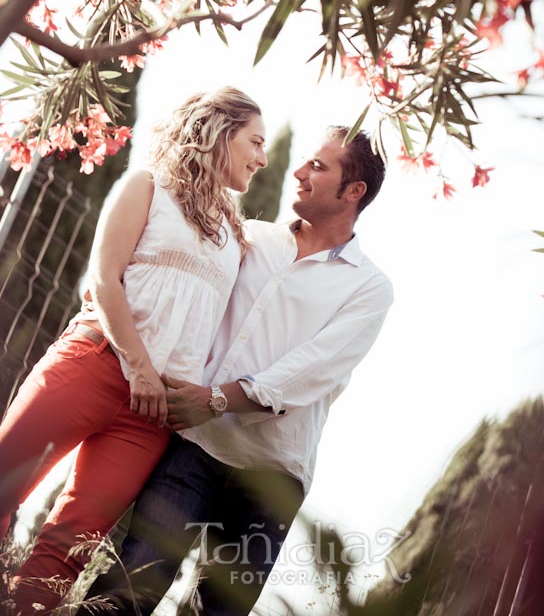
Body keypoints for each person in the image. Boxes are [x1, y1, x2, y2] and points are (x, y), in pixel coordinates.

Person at [80, 126, 394, 616]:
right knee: (125, 592)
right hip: (193, 450)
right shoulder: (249, 238)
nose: (297, 172)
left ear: (354, 191)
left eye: (318, 166)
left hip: (272, 478)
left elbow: (315, 368)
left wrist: (218, 399)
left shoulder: (370, 288)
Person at [0, 87, 267, 614]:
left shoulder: (239, 239)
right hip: (94, 363)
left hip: (149, 417)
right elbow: (103, 277)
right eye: (254, 141)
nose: (261, 158)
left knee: (69, 547)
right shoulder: (147, 185)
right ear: (219, 130)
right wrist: (139, 368)